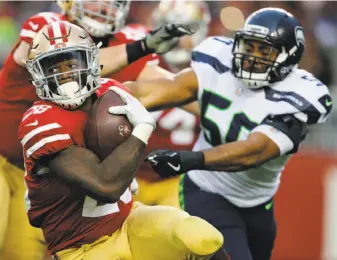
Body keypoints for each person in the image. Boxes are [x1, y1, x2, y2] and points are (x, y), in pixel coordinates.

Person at [125, 8, 332, 260]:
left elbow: (255, 151)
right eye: (248, 46)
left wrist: (188, 159)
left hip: (258, 202)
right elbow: (161, 91)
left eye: (264, 51)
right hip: (206, 189)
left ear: (289, 56)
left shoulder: (301, 95)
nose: (252, 57)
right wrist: (100, 90)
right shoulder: (219, 62)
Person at [0, 0, 193, 259]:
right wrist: (141, 47)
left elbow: (163, 86)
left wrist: (222, 100)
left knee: (20, 254)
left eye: (111, 2)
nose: (103, 8)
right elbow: (49, 57)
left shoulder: (123, 42)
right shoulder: (46, 26)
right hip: (3, 155)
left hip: (41, 171)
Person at [133, 0, 211, 207]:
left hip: (181, 181)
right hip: (130, 177)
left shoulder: (211, 72)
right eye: (170, 29)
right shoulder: (142, 64)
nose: (177, 39)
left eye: (185, 30)